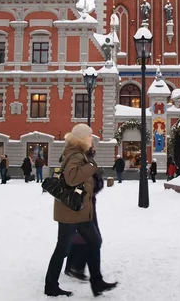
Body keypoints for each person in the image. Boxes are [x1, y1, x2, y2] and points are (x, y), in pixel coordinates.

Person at [44, 124, 117, 297]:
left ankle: (97, 282)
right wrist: (91, 165)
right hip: (71, 212)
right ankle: (50, 286)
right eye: (89, 136)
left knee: (95, 242)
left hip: (79, 211)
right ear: (82, 139)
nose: (92, 138)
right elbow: (71, 178)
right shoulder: (76, 154)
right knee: (62, 249)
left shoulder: (76, 153)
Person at [65, 146, 104, 282]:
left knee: (82, 236)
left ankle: (74, 266)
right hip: (83, 205)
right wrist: (97, 177)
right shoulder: (83, 165)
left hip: (83, 204)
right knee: (92, 239)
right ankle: (77, 267)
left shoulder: (78, 162)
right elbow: (89, 186)